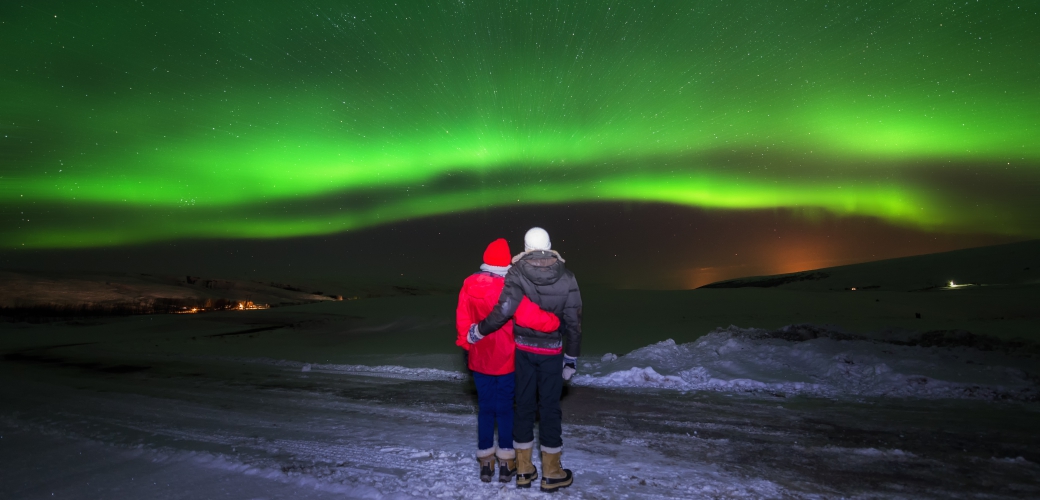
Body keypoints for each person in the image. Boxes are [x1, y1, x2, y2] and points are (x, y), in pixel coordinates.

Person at [470, 227, 582, 492]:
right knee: (550, 409)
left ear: (526, 247)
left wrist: (478, 330)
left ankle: (523, 470)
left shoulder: (516, 272)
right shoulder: (568, 277)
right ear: (550, 245)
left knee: (524, 407)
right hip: (552, 353)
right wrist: (571, 358)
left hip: (522, 351)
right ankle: (552, 472)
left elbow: (504, 310)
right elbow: (573, 322)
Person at [456, 238, 561, 483]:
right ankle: (506, 463)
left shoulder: (468, 284)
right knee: (504, 410)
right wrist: (555, 322)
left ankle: (485, 464)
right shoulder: (508, 288)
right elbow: (529, 315)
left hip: (479, 359)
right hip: (506, 360)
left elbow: (463, 322)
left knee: (485, 409)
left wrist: (467, 344)